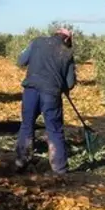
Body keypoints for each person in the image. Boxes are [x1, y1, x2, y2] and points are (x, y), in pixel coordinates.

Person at [15, 26, 78, 174]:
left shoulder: (37, 42)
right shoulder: (67, 53)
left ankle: (21, 161)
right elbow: (70, 83)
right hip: (51, 94)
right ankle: (59, 169)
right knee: (54, 129)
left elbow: (21, 60)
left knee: (26, 125)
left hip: (31, 90)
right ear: (67, 39)